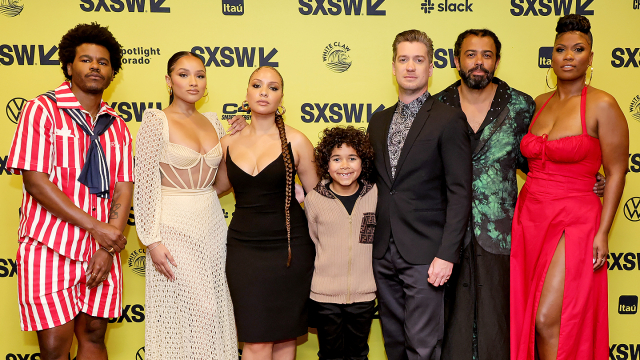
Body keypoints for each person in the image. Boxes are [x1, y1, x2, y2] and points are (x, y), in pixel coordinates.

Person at [6, 23, 133, 360]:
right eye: (86, 60)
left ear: (112, 73)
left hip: (99, 250)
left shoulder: (117, 125)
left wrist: (107, 245)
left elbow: (123, 186)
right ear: (68, 66)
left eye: (103, 62)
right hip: (49, 247)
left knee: (94, 337)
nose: (95, 67)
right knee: (54, 348)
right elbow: (35, 181)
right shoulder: (41, 109)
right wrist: (96, 226)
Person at [511, 14, 628, 360]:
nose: (568, 56)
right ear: (552, 55)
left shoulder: (603, 104)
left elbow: (618, 171)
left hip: (575, 220)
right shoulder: (539, 102)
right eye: (561, 49)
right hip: (531, 216)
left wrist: (603, 232)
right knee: (530, 317)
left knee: (551, 318)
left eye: (578, 49)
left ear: (590, 57)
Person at [367, 29, 472, 360]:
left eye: (418, 60)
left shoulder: (448, 119)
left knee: (423, 346)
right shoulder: (379, 121)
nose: (410, 67)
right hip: (383, 251)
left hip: (427, 254)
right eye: (403, 59)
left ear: (430, 68)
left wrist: (447, 254)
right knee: (394, 345)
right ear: (393, 67)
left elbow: (460, 192)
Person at [134, 51, 243, 359]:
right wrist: (152, 241)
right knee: (201, 311)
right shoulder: (157, 121)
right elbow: (144, 184)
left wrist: (237, 141)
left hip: (210, 223)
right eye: (183, 74)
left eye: (199, 74)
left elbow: (219, 185)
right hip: (171, 226)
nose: (193, 81)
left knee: (217, 308)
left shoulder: (213, 122)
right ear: (169, 80)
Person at [213, 66, 319, 360]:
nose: (264, 92)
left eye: (273, 87)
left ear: (281, 97)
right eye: (257, 85)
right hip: (244, 250)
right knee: (256, 342)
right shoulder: (227, 143)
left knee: (285, 338)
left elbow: (321, 198)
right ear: (246, 94)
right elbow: (216, 188)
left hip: (290, 250)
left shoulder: (296, 141)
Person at [305, 126, 378, 360]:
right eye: (336, 159)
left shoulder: (375, 194)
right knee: (330, 355)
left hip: (363, 294)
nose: (344, 166)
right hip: (324, 296)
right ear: (326, 164)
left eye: (352, 158)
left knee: (358, 354)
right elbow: (313, 239)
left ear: (362, 162)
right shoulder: (314, 199)